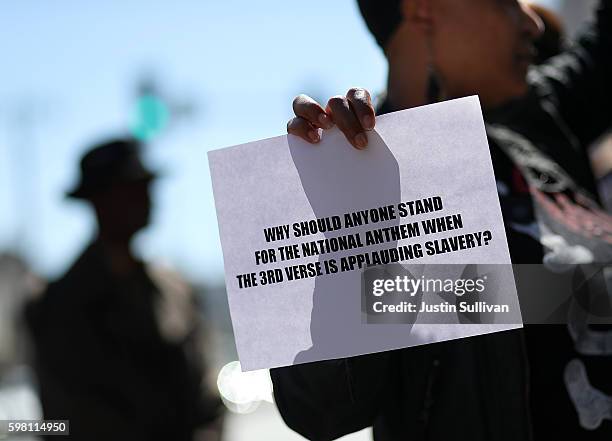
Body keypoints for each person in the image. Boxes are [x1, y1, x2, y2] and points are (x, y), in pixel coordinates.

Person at [271, 0, 612, 439]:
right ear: (424, 12)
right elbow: (318, 409)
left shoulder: (541, 122)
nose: (530, 22)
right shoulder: (347, 180)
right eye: (506, 3)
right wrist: (355, 232)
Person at [25, 138, 223, 441]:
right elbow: (65, 417)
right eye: (130, 189)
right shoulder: (58, 303)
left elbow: (206, 395)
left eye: (146, 187)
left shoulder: (174, 289)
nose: (147, 198)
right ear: (99, 201)